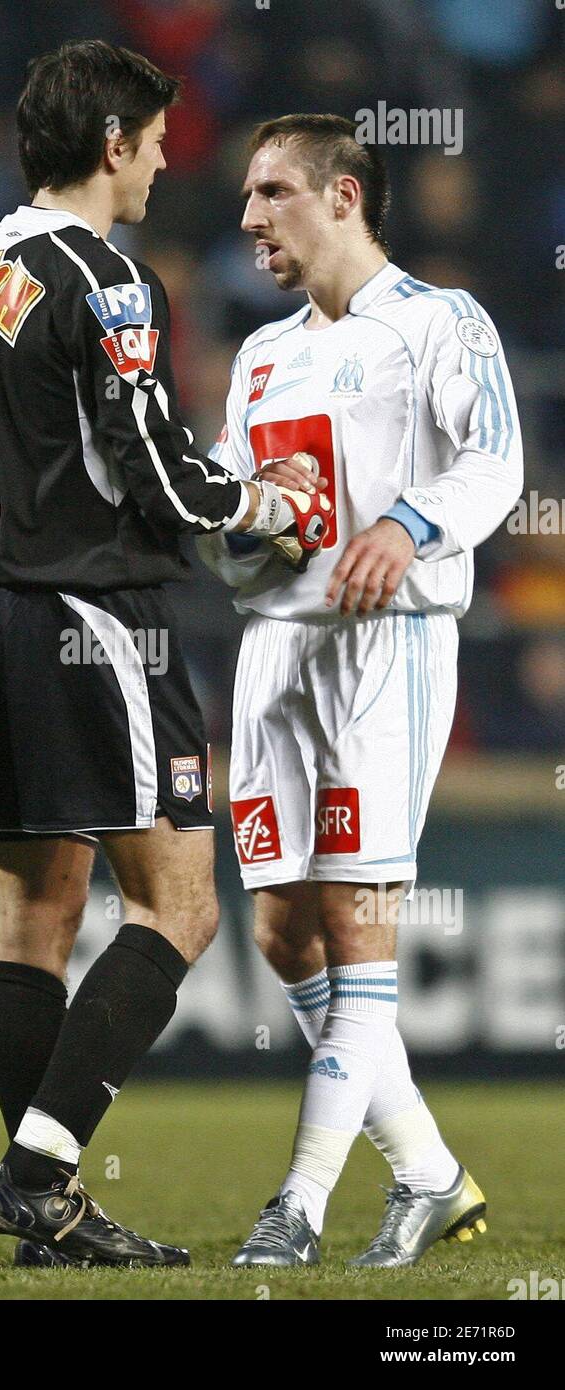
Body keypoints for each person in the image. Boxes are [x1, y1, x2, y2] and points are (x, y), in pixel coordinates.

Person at [0, 42, 313, 1268]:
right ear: (111, 142)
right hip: (90, 617)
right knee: (182, 904)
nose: (162, 161)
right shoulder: (106, 274)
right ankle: (40, 1172)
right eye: (152, 139)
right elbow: (155, 469)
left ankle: (43, 1204)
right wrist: (267, 502)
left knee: (30, 913)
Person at [199, 114, 522, 1268]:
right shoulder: (259, 355)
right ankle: (430, 1174)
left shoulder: (439, 323)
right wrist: (254, 525)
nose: (249, 218)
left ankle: (300, 1203)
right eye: (246, 196)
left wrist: (404, 520)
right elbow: (231, 541)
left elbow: (495, 461)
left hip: (389, 641)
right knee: (283, 929)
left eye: (273, 192)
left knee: (357, 921)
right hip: (273, 653)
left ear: (345, 196)